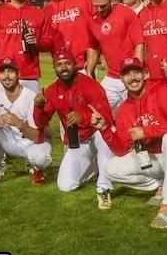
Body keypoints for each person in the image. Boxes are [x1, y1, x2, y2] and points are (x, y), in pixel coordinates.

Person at [99, 57, 167, 228]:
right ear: (122, 79)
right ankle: (166, 185)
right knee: (111, 169)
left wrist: (147, 131)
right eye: (127, 74)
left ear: (145, 74)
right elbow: (121, 149)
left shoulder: (161, 92)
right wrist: (105, 129)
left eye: (136, 72)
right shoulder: (124, 110)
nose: (132, 78)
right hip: (158, 162)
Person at [34, 49, 116, 209]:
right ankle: (95, 167)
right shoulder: (51, 90)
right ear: (54, 67)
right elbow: (41, 123)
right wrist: (38, 107)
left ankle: (104, 187)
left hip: (97, 133)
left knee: (104, 138)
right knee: (66, 185)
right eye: (59, 64)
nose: (64, 68)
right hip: (78, 141)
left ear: (75, 65)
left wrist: (83, 116)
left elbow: (106, 116)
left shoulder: (90, 85)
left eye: (67, 63)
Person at [0, 57, 52, 187]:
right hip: (11, 141)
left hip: (32, 143)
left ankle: (37, 169)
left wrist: (20, 124)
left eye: (10, 71)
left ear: (18, 74)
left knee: (41, 158)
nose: (6, 76)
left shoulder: (31, 97)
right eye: (3, 72)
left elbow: (38, 136)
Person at [85, 0, 144, 111]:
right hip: (112, 77)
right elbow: (93, 47)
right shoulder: (92, 20)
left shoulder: (126, 13)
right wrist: (89, 71)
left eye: (103, 6)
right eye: (96, 6)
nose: (99, 10)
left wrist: (136, 72)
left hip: (130, 75)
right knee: (95, 112)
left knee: (135, 117)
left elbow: (139, 44)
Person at [43, 0, 94, 70]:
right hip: (61, 66)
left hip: (84, 65)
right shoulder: (48, 9)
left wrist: (94, 58)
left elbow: (97, 28)